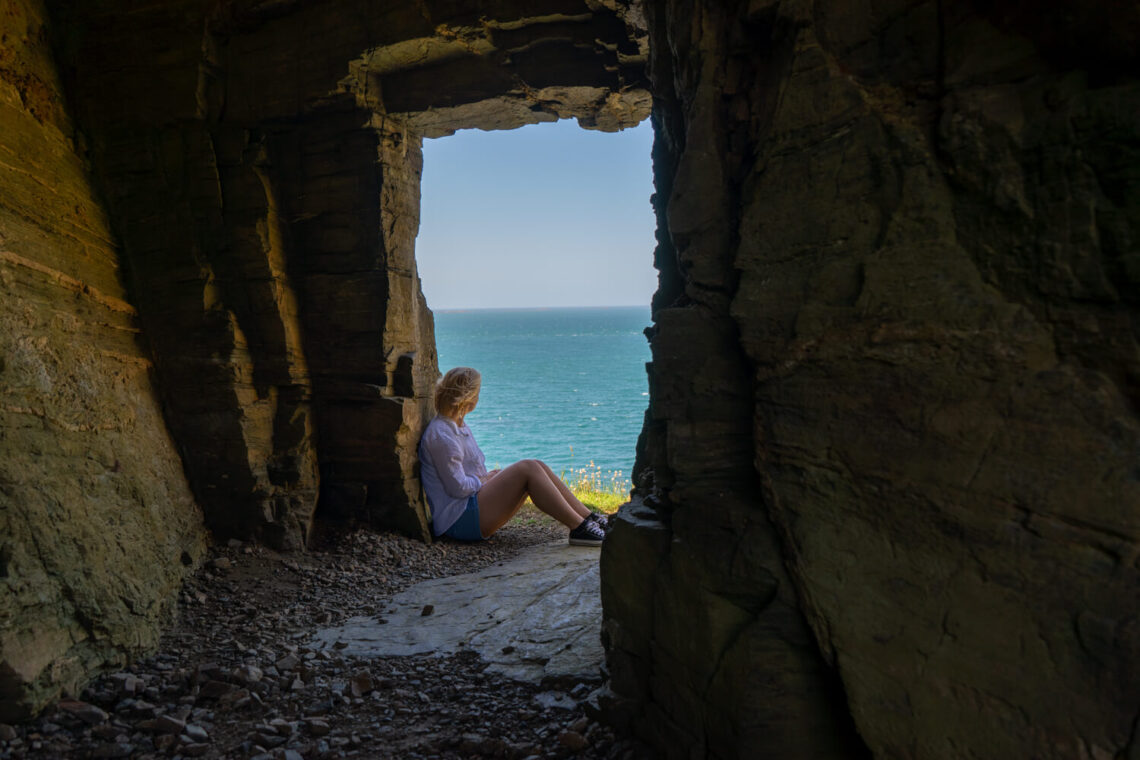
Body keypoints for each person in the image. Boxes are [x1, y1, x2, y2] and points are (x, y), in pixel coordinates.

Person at [418, 366, 608, 545]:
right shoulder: (441, 435)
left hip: (471, 508)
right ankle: (579, 528)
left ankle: (587, 518)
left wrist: (488, 479)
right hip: (459, 520)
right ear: (468, 398)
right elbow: (458, 488)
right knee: (527, 468)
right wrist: (484, 479)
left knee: (536, 464)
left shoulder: (456, 424)